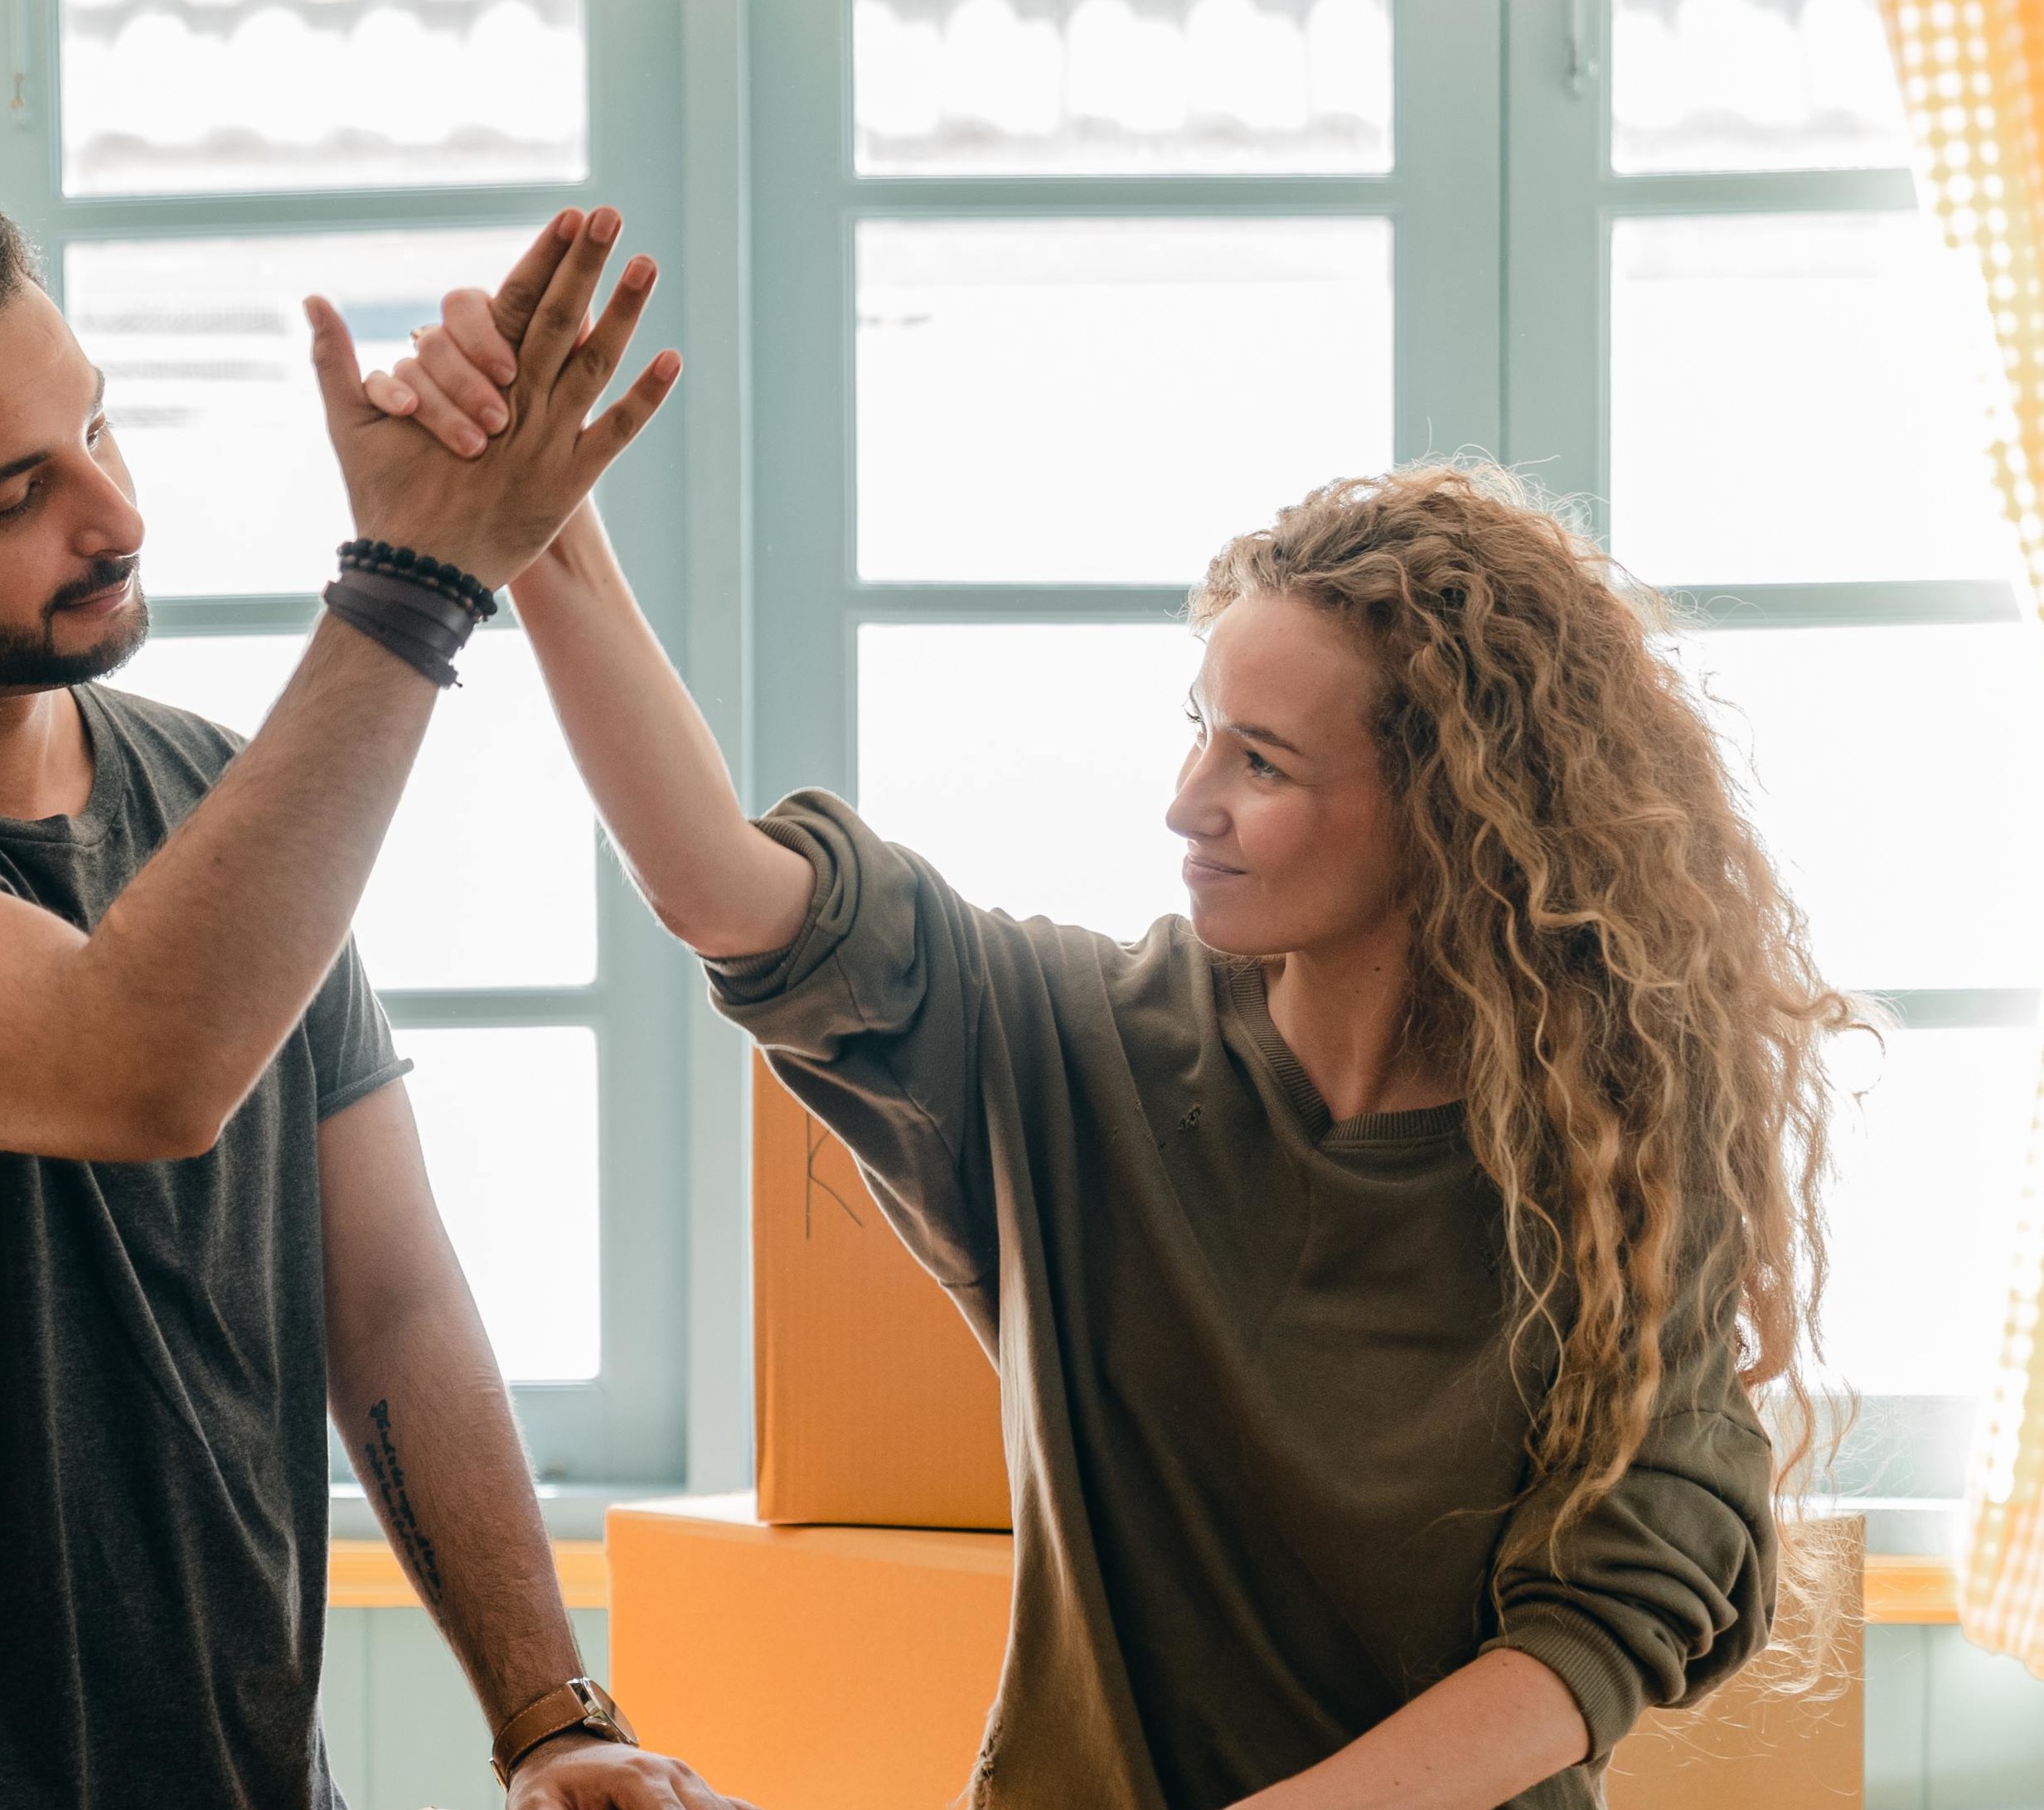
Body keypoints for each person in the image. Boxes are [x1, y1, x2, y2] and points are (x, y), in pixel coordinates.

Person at [376, 223, 1857, 1810]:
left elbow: (1605, 1623)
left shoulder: (1611, 1155)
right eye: (1200, 733)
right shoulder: (1076, 1048)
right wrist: (542, 531)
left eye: (1262, 765)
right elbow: (725, 891)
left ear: (1451, 817)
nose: (1185, 804)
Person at [0, 166, 748, 1810]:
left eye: (100, 431)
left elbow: (389, 1298)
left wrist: (555, 1720)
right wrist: (413, 582)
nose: (112, 517)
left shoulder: (215, 795)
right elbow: (132, 1066)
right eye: (9, 498)